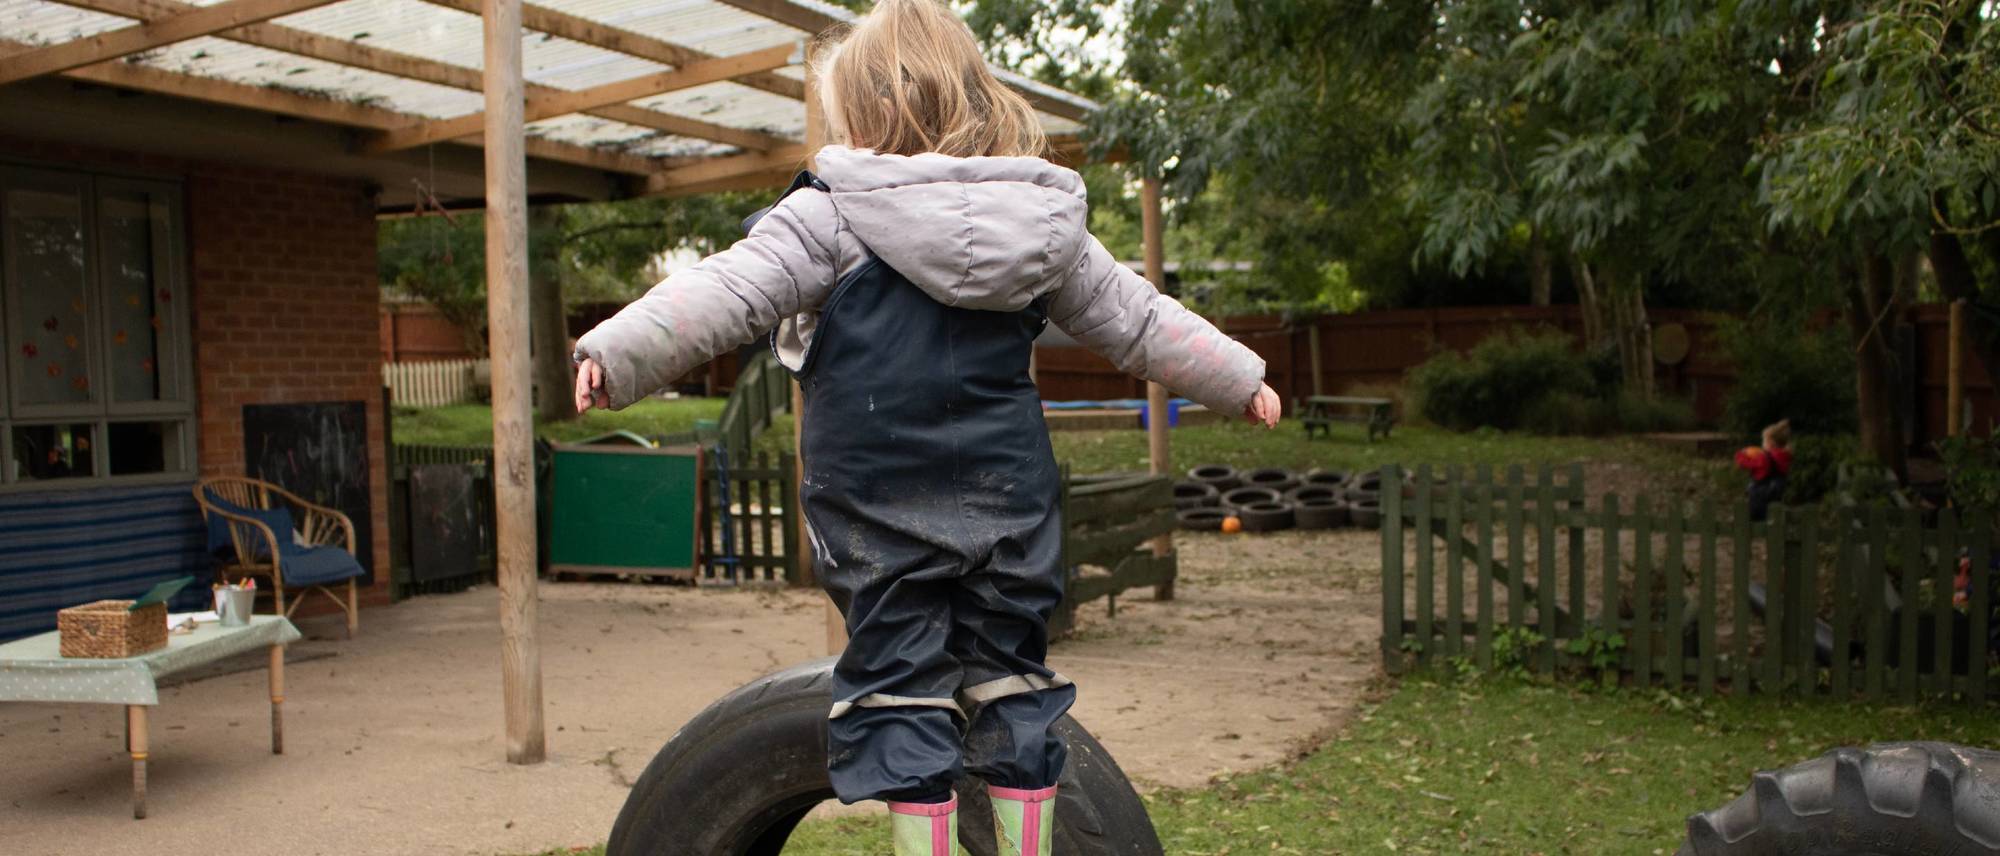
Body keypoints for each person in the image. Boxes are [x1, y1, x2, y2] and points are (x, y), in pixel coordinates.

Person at [570, 1, 1279, 851]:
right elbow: (1138, 317)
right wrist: (1238, 377)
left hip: (877, 500)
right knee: (1010, 677)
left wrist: (619, 353)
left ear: (863, 113)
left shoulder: (830, 215)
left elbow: (724, 291)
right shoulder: (1042, 224)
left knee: (902, 685)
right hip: (1005, 494)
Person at [1736, 419, 1792, 521]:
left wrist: (1740, 454)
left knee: (1754, 524)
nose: (1762, 444)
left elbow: (1745, 464)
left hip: (1760, 499)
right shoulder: (1784, 457)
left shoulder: (1764, 458)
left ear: (1771, 443)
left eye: (1763, 440)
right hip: (1775, 496)